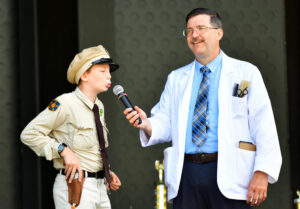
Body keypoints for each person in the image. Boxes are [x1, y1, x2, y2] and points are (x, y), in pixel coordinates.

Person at [124, 8, 282, 209]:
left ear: (219, 33)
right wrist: (147, 124)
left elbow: (264, 124)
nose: (194, 35)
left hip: (231, 171)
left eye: (200, 28)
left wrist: (262, 171)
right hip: (187, 174)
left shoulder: (245, 73)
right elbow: (165, 121)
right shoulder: (176, 78)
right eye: (189, 31)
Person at [21, 45, 121, 209]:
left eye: (109, 72)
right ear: (84, 75)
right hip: (76, 186)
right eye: (102, 71)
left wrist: (105, 171)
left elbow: (92, 148)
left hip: (100, 188)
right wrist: (63, 150)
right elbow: (29, 133)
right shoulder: (65, 103)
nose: (109, 76)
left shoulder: (99, 106)